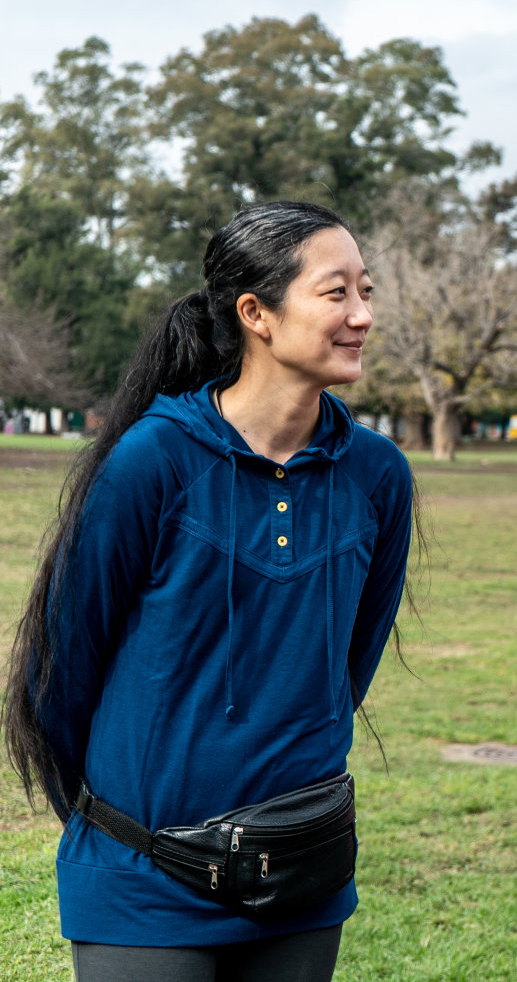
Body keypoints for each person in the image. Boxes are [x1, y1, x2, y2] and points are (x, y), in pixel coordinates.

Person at [1, 201, 415, 982]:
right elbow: (64, 671)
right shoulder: (151, 460)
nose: (363, 314)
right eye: (337, 293)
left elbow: (344, 670)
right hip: (141, 875)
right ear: (255, 312)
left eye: (368, 290)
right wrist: (129, 818)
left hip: (300, 871)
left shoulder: (378, 475)